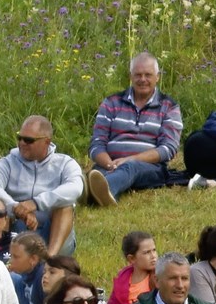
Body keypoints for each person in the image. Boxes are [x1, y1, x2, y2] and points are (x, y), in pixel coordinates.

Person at [78, 54, 183, 207]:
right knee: (96, 172)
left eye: (148, 75)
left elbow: (168, 149)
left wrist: (130, 160)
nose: (142, 79)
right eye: (138, 75)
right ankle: (96, 191)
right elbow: (96, 144)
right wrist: (109, 164)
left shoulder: (169, 106)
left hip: (148, 168)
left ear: (158, 77)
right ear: (130, 76)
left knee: (130, 167)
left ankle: (101, 191)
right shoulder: (111, 102)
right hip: (109, 163)